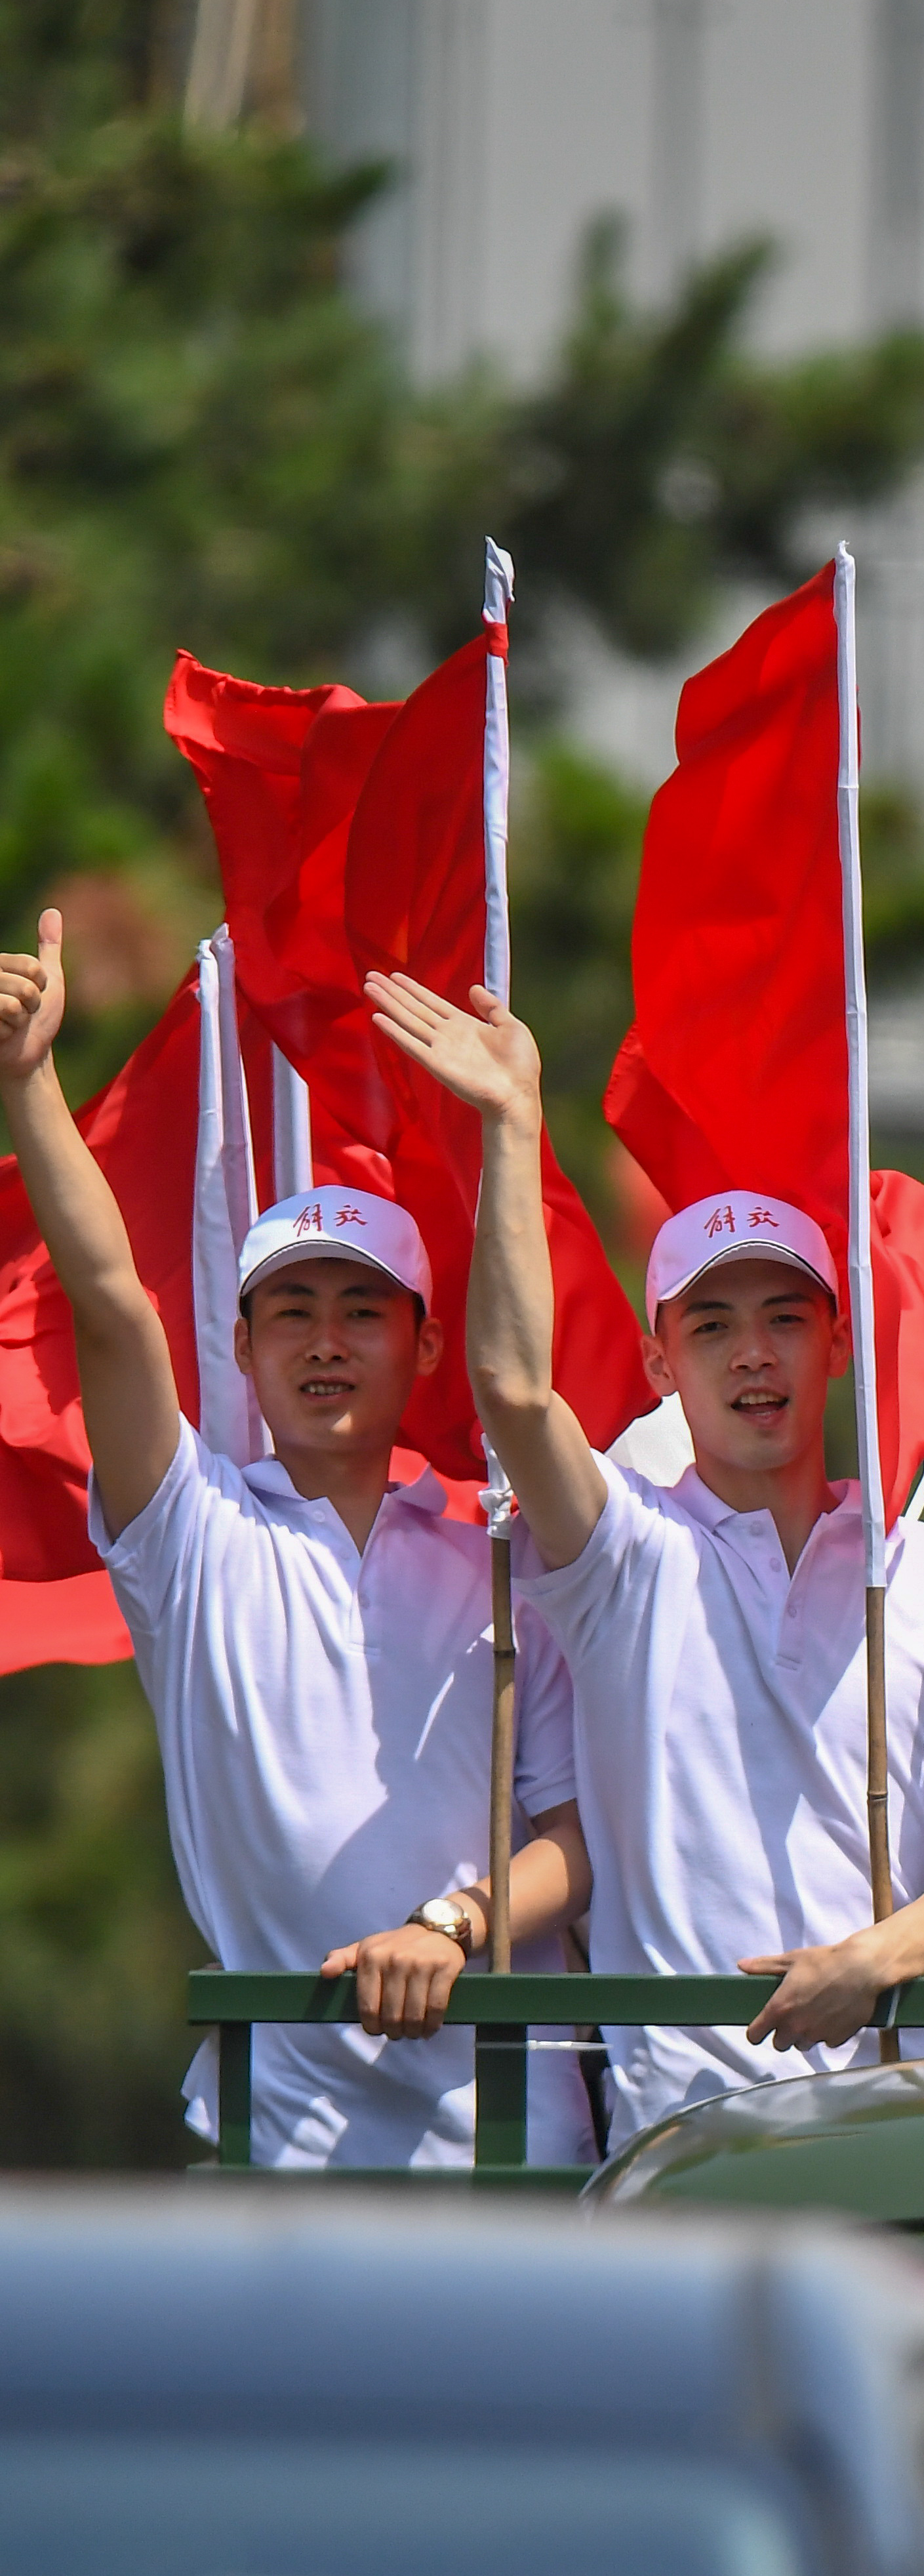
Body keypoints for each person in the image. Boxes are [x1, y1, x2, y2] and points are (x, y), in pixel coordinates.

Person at [365, 968, 924, 2146]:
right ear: (662, 1362)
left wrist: (868, 1963)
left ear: (837, 1344)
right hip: (687, 2145)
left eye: (785, 1318)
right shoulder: (628, 1552)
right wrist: (515, 1127)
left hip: (909, 2134)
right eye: (712, 1326)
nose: (753, 1355)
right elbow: (518, 1392)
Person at [0, 909, 595, 2169]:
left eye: (362, 1311)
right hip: (279, 2142)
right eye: (292, 1313)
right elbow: (108, 1305)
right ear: (243, 1349)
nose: (326, 1341)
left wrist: (452, 1926)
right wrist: (31, 1085)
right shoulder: (192, 1534)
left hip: (511, 2141)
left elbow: (574, 1840)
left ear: (424, 1347)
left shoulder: (502, 1552)